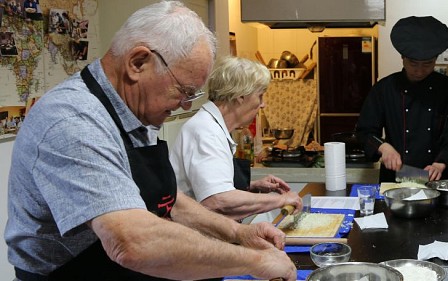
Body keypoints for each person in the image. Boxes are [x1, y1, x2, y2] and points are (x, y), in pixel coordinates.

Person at [4, 2, 296, 280]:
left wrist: (236, 233)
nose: (185, 105)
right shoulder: (73, 121)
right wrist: (255, 261)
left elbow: (167, 201)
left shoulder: (133, 111)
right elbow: (131, 242)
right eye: (183, 90)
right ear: (138, 62)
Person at [170, 56, 303, 221]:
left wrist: (252, 185)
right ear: (241, 96)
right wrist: (281, 200)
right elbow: (217, 201)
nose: (263, 105)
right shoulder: (206, 131)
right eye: (260, 96)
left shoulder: (213, 126)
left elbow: (210, 185)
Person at [356, 16, 448, 182]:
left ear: (436, 59)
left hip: (435, 178)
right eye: (413, 64)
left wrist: (441, 163)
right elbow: (365, 132)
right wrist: (384, 147)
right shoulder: (384, 89)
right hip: (395, 177)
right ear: (402, 57)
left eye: (427, 64)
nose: (420, 71)